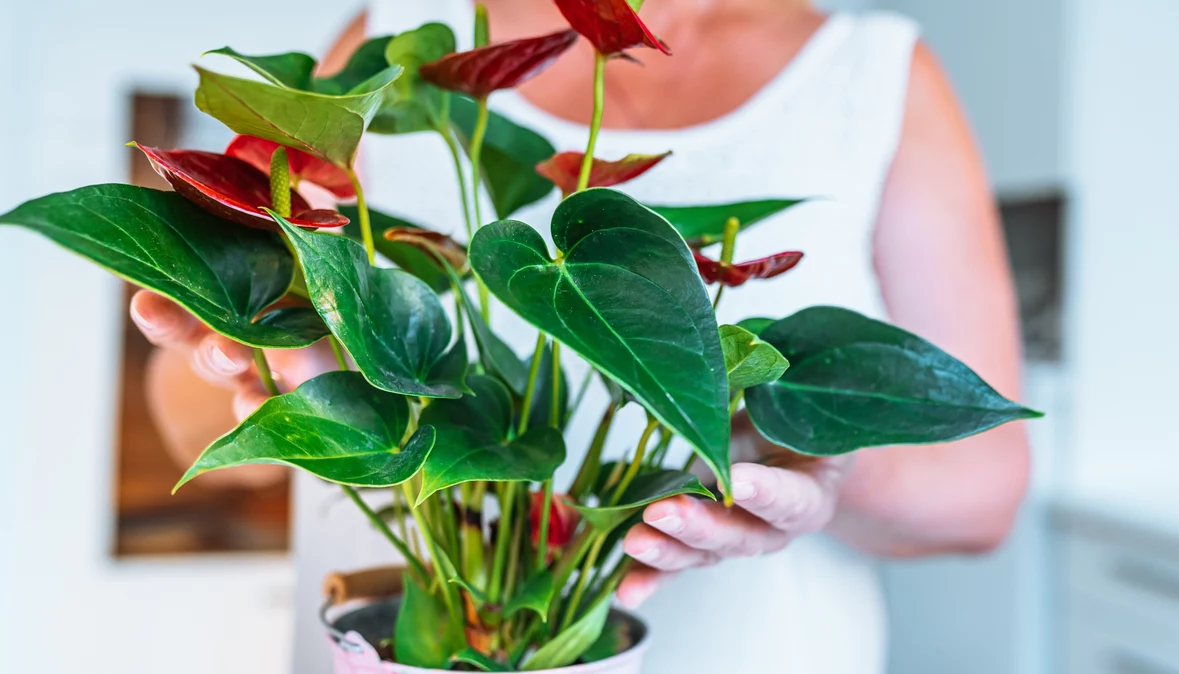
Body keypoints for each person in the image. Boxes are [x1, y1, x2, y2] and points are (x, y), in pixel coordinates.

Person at [130, 0, 1032, 671]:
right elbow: (188, 420)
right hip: (408, 637)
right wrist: (257, 352)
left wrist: (797, 454)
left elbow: (984, 490)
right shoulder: (396, 43)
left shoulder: (867, 73)